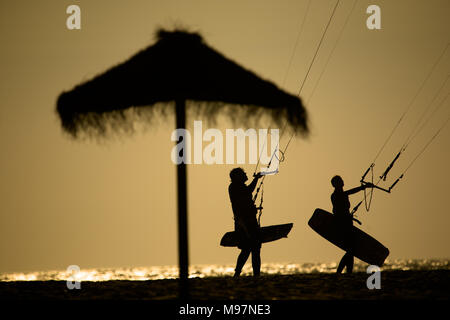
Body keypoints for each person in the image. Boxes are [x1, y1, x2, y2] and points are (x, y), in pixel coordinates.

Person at [330, 175, 373, 274]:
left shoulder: (342, 194)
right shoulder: (336, 195)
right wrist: (363, 187)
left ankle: (349, 272)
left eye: (341, 180)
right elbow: (350, 192)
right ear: (336, 184)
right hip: (343, 225)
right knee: (351, 249)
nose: (342, 181)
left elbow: (348, 193)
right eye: (340, 181)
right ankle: (339, 271)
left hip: (347, 223)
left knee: (351, 249)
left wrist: (363, 187)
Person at [228, 168, 263, 277]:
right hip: (243, 222)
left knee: (253, 248)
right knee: (249, 249)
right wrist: (256, 179)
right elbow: (248, 191)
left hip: (249, 221)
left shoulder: (239, 187)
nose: (245, 174)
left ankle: (253, 274)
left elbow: (247, 191)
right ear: (237, 176)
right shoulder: (234, 187)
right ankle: (239, 273)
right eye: (243, 174)